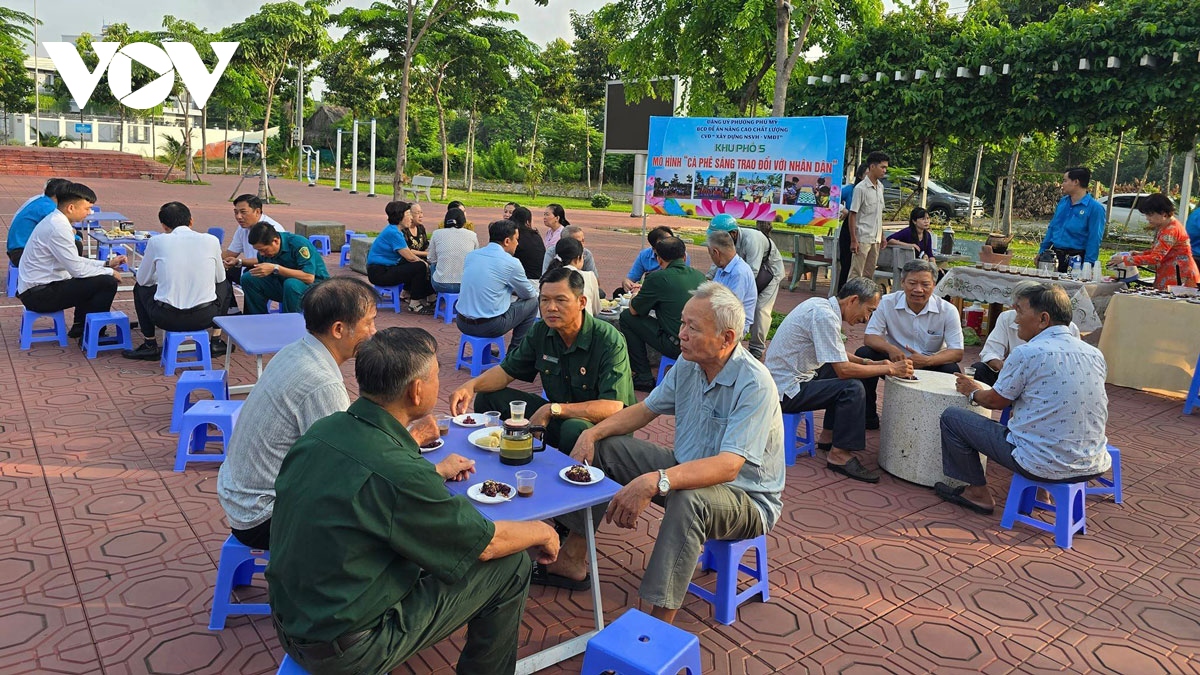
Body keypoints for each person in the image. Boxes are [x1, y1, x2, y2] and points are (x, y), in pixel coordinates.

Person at [267, 327, 559, 675]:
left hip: (291, 623)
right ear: (417, 390)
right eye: (437, 375)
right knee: (509, 566)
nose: (440, 383)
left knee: (429, 546)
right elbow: (487, 545)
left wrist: (432, 475)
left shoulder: (322, 432)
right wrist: (543, 531)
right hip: (348, 650)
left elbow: (370, 490)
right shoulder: (401, 473)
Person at [537, 282, 784, 625]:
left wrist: (656, 481)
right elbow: (644, 410)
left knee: (689, 501)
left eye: (692, 328)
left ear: (727, 339)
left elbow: (729, 467)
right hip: (687, 470)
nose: (680, 334)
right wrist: (593, 432)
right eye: (681, 323)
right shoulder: (688, 364)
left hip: (745, 498)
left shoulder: (754, 383)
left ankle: (656, 624)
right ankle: (573, 556)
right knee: (607, 449)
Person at [217, 278, 379, 549]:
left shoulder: (297, 349)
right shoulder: (322, 383)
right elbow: (346, 468)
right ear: (339, 329)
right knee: (382, 515)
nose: (374, 331)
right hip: (263, 516)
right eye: (369, 322)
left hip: (240, 496)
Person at [936, 283, 1111, 515]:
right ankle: (1041, 491)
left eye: (1019, 312)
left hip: (1039, 463)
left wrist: (971, 391)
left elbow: (995, 401)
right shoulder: (1094, 354)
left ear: (1043, 319)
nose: (1016, 319)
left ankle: (977, 493)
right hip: (1093, 462)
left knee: (952, 418)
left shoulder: (1027, 353)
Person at [451, 266, 635, 455]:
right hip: (558, 416)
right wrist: (471, 386)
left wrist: (552, 409)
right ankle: (502, 458)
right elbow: (506, 372)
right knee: (487, 397)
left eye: (560, 300)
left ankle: (564, 477)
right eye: (544, 300)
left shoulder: (608, 339)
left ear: (581, 302)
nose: (551, 307)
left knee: (573, 428)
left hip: (600, 429)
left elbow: (612, 407)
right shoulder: (541, 331)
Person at [765, 277, 914, 483]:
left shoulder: (821, 306)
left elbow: (835, 352)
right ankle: (839, 455)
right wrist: (889, 368)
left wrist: (866, 362)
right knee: (851, 387)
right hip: (785, 391)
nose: (867, 318)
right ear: (853, 300)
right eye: (869, 310)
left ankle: (828, 438)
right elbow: (843, 370)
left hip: (789, 381)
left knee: (842, 372)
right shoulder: (824, 315)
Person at [855, 259, 964, 428]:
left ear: (934, 285)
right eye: (912, 283)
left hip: (930, 362)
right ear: (903, 282)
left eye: (925, 284)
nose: (918, 290)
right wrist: (889, 348)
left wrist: (927, 360)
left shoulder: (948, 310)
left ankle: (941, 423)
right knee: (865, 354)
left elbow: (957, 352)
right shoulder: (887, 302)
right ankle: (866, 417)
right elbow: (870, 337)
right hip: (894, 362)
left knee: (952, 370)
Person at [121, 202, 231, 360]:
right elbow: (219, 278)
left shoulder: (156, 241)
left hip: (166, 318)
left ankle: (150, 344)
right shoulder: (211, 240)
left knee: (140, 288)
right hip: (205, 317)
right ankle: (216, 340)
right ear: (191, 221)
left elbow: (143, 280)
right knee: (225, 284)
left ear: (164, 226)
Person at [16, 182, 126, 339]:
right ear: (71, 208)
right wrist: (110, 272)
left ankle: (80, 328)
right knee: (106, 282)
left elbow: (74, 261)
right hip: (38, 295)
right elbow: (78, 269)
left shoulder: (56, 220)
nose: (89, 213)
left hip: (39, 287)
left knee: (93, 279)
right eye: (86, 209)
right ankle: (94, 335)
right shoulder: (58, 227)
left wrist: (106, 264)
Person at [620, 236, 705, 391]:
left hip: (676, 345)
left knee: (626, 317)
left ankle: (643, 375)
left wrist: (636, 296)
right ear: (684, 256)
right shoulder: (700, 276)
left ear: (659, 260)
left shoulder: (658, 278)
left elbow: (634, 310)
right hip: (700, 342)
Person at [970, 282, 1080, 387]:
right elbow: (990, 352)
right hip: (1010, 375)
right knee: (979, 369)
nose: (1017, 320)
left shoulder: (1069, 329)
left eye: (1020, 308)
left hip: (1047, 382)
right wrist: (1008, 368)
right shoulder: (1007, 318)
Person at [706, 214, 784, 359]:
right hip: (749, 270)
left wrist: (744, 290)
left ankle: (757, 348)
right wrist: (708, 278)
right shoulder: (726, 242)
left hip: (770, 272)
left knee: (761, 309)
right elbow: (717, 259)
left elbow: (752, 271)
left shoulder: (751, 239)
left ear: (733, 234)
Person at [455, 219, 540, 351]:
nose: (517, 244)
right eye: (516, 239)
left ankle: (493, 352)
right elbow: (528, 294)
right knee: (533, 302)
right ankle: (515, 353)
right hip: (489, 326)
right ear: (507, 241)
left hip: (461, 322)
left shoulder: (472, 255)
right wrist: (513, 290)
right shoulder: (511, 262)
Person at [1108, 193, 1198, 290]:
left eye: (1150, 214)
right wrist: (1140, 254)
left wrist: (1124, 259)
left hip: (1179, 279)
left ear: (1163, 213)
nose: (1147, 218)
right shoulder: (1166, 226)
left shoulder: (1170, 230)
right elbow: (1161, 251)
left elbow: (1156, 258)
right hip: (1172, 275)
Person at [240, 222, 330, 314]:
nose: (261, 253)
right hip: (285, 286)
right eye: (258, 250)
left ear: (275, 241)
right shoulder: (265, 252)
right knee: (248, 278)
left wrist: (276, 268)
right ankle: (258, 320)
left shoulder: (298, 244)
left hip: (316, 288)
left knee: (291, 284)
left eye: (263, 250)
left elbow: (309, 277)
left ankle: (291, 322)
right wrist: (240, 262)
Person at [366, 201, 436, 313]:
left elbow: (408, 255)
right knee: (420, 267)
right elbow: (410, 257)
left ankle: (410, 293)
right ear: (400, 216)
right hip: (379, 273)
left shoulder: (395, 230)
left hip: (384, 269)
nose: (411, 218)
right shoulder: (394, 233)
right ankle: (415, 304)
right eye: (408, 215)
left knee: (416, 265)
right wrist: (426, 264)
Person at [1037, 167, 1107, 272]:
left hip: (1076, 260)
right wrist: (1042, 252)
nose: (1062, 184)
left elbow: (1094, 238)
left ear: (1076, 182)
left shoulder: (1095, 208)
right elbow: (1052, 228)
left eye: (1065, 181)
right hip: (1054, 256)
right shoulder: (1063, 202)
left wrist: (1088, 266)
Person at [221, 194, 286, 288]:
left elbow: (268, 260)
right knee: (219, 270)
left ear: (257, 211)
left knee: (249, 277)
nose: (239, 217)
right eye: (236, 212)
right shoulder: (242, 228)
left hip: (270, 273)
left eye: (243, 212)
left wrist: (239, 261)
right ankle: (228, 303)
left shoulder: (272, 230)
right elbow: (230, 254)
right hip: (249, 268)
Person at [7, 177, 70, 266]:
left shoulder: (41, 202)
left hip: (18, 250)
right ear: (58, 195)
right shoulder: (48, 208)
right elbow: (60, 231)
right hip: (22, 253)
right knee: (72, 246)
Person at [848, 151, 889, 280]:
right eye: (882, 167)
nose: (884, 171)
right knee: (856, 273)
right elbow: (852, 214)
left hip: (875, 239)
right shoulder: (861, 188)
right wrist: (854, 240)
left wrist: (882, 236)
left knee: (868, 274)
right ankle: (850, 298)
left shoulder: (880, 187)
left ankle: (864, 299)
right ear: (872, 167)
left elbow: (878, 215)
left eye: (886, 168)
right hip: (862, 237)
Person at [705, 230, 755, 334]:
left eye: (710, 254)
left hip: (734, 325)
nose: (711, 258)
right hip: (722, 318)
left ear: (716, 252)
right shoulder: (722, 267)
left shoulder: (739, 272)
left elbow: (730, 309)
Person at [428, 207, 477, 294]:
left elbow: (431, 259)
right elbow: (474, 260)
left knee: (432, 266)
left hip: (441, 284)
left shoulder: (437, 234)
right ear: (464, 221)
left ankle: (432, 297)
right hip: (464, 284)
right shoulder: (472, 235)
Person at [546, 237, 600, 316]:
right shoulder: (589, 276)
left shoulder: (548, 276)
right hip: (582, 325)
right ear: (578, 258)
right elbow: (596, 309)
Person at [622, 225, 674, 294]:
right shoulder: (644, 255)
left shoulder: (680, 255)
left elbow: (676, 283)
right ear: (654, 249)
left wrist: (646, 287)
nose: (667, 248)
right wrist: (626, 282)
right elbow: (631, 278)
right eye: (662, 246)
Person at [509, 206, 545, 280]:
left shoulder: (514, 235)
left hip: (524, 278)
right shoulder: (535, 235)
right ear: (528, 221)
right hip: (539, 278)